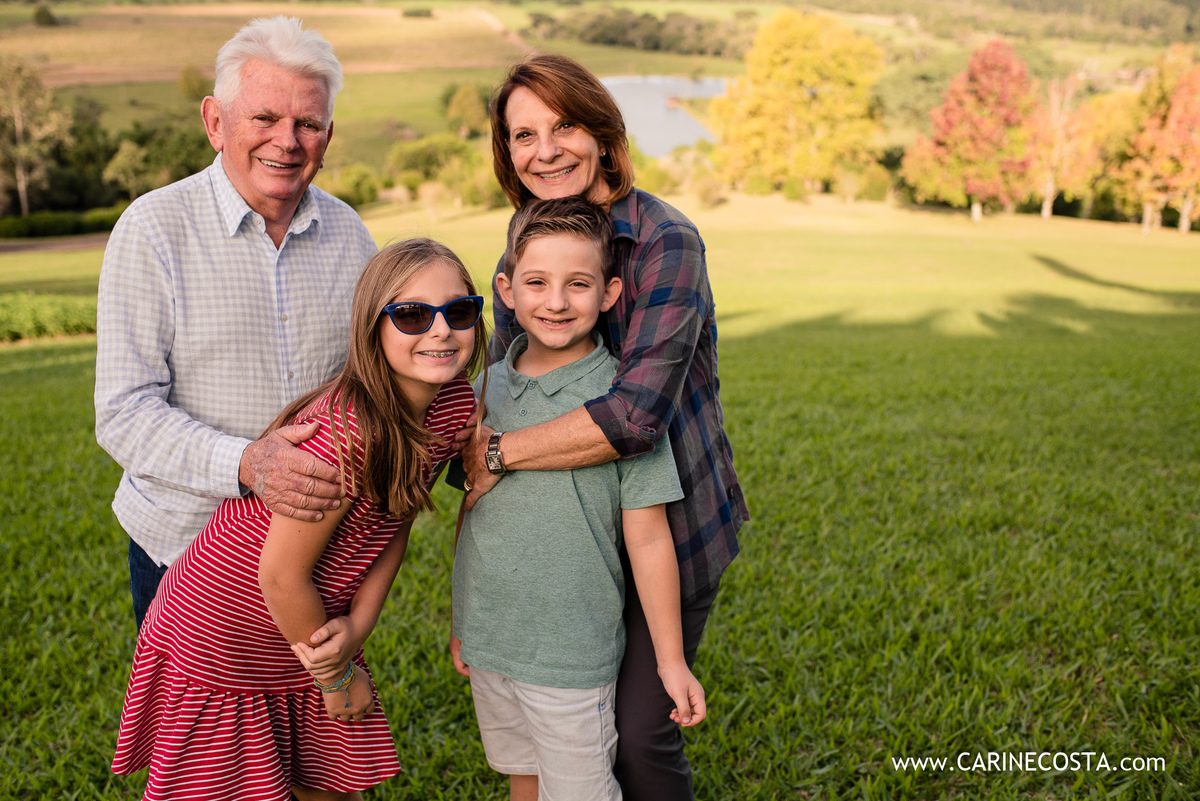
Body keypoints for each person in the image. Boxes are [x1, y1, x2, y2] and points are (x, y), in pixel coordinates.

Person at [459, 53, 749, 801]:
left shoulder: (664, 242)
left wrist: (496, 452)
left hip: (667, 525)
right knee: (560, 722)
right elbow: (507, 384)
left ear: (603, 134)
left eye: (563, 126)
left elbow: (634, 415)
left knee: (640, 731)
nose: (545, 150)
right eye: (524, 135)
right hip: (570, 538)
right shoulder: (524, 249)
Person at [111, 238, 487, 800]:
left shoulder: (452, 403)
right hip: (228, 630)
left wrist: (357, 629)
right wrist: (335, 678)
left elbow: (397, 522)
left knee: (329, 787)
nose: (439, 331)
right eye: (410, 314)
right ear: (370, 328)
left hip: (308, 627)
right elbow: (280, 576)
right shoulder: (346, 434)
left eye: (458, 312)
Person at [95, 16, 378, 631]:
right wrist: (249, 463)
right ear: (215, 123)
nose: (288, 140)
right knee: (196, 728)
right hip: (182, 549)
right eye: (265, 118)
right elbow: (122, 412)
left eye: (307, 123)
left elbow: (373, 379)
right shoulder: (152, 230)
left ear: (328, 136)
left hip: (314, 553)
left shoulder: (352, 236)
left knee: (311, 717)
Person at [449, 196, 705, 801]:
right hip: (492, 641)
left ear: (611, 293)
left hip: (571, 657)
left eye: (578, 283)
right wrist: (463, 621)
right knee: (523, 777)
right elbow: (473, 509)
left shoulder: (619, 400)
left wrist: (671, 661)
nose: (556, 301)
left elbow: (647, 537)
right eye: (536, 282)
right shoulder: (485, 386)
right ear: (507, 290)